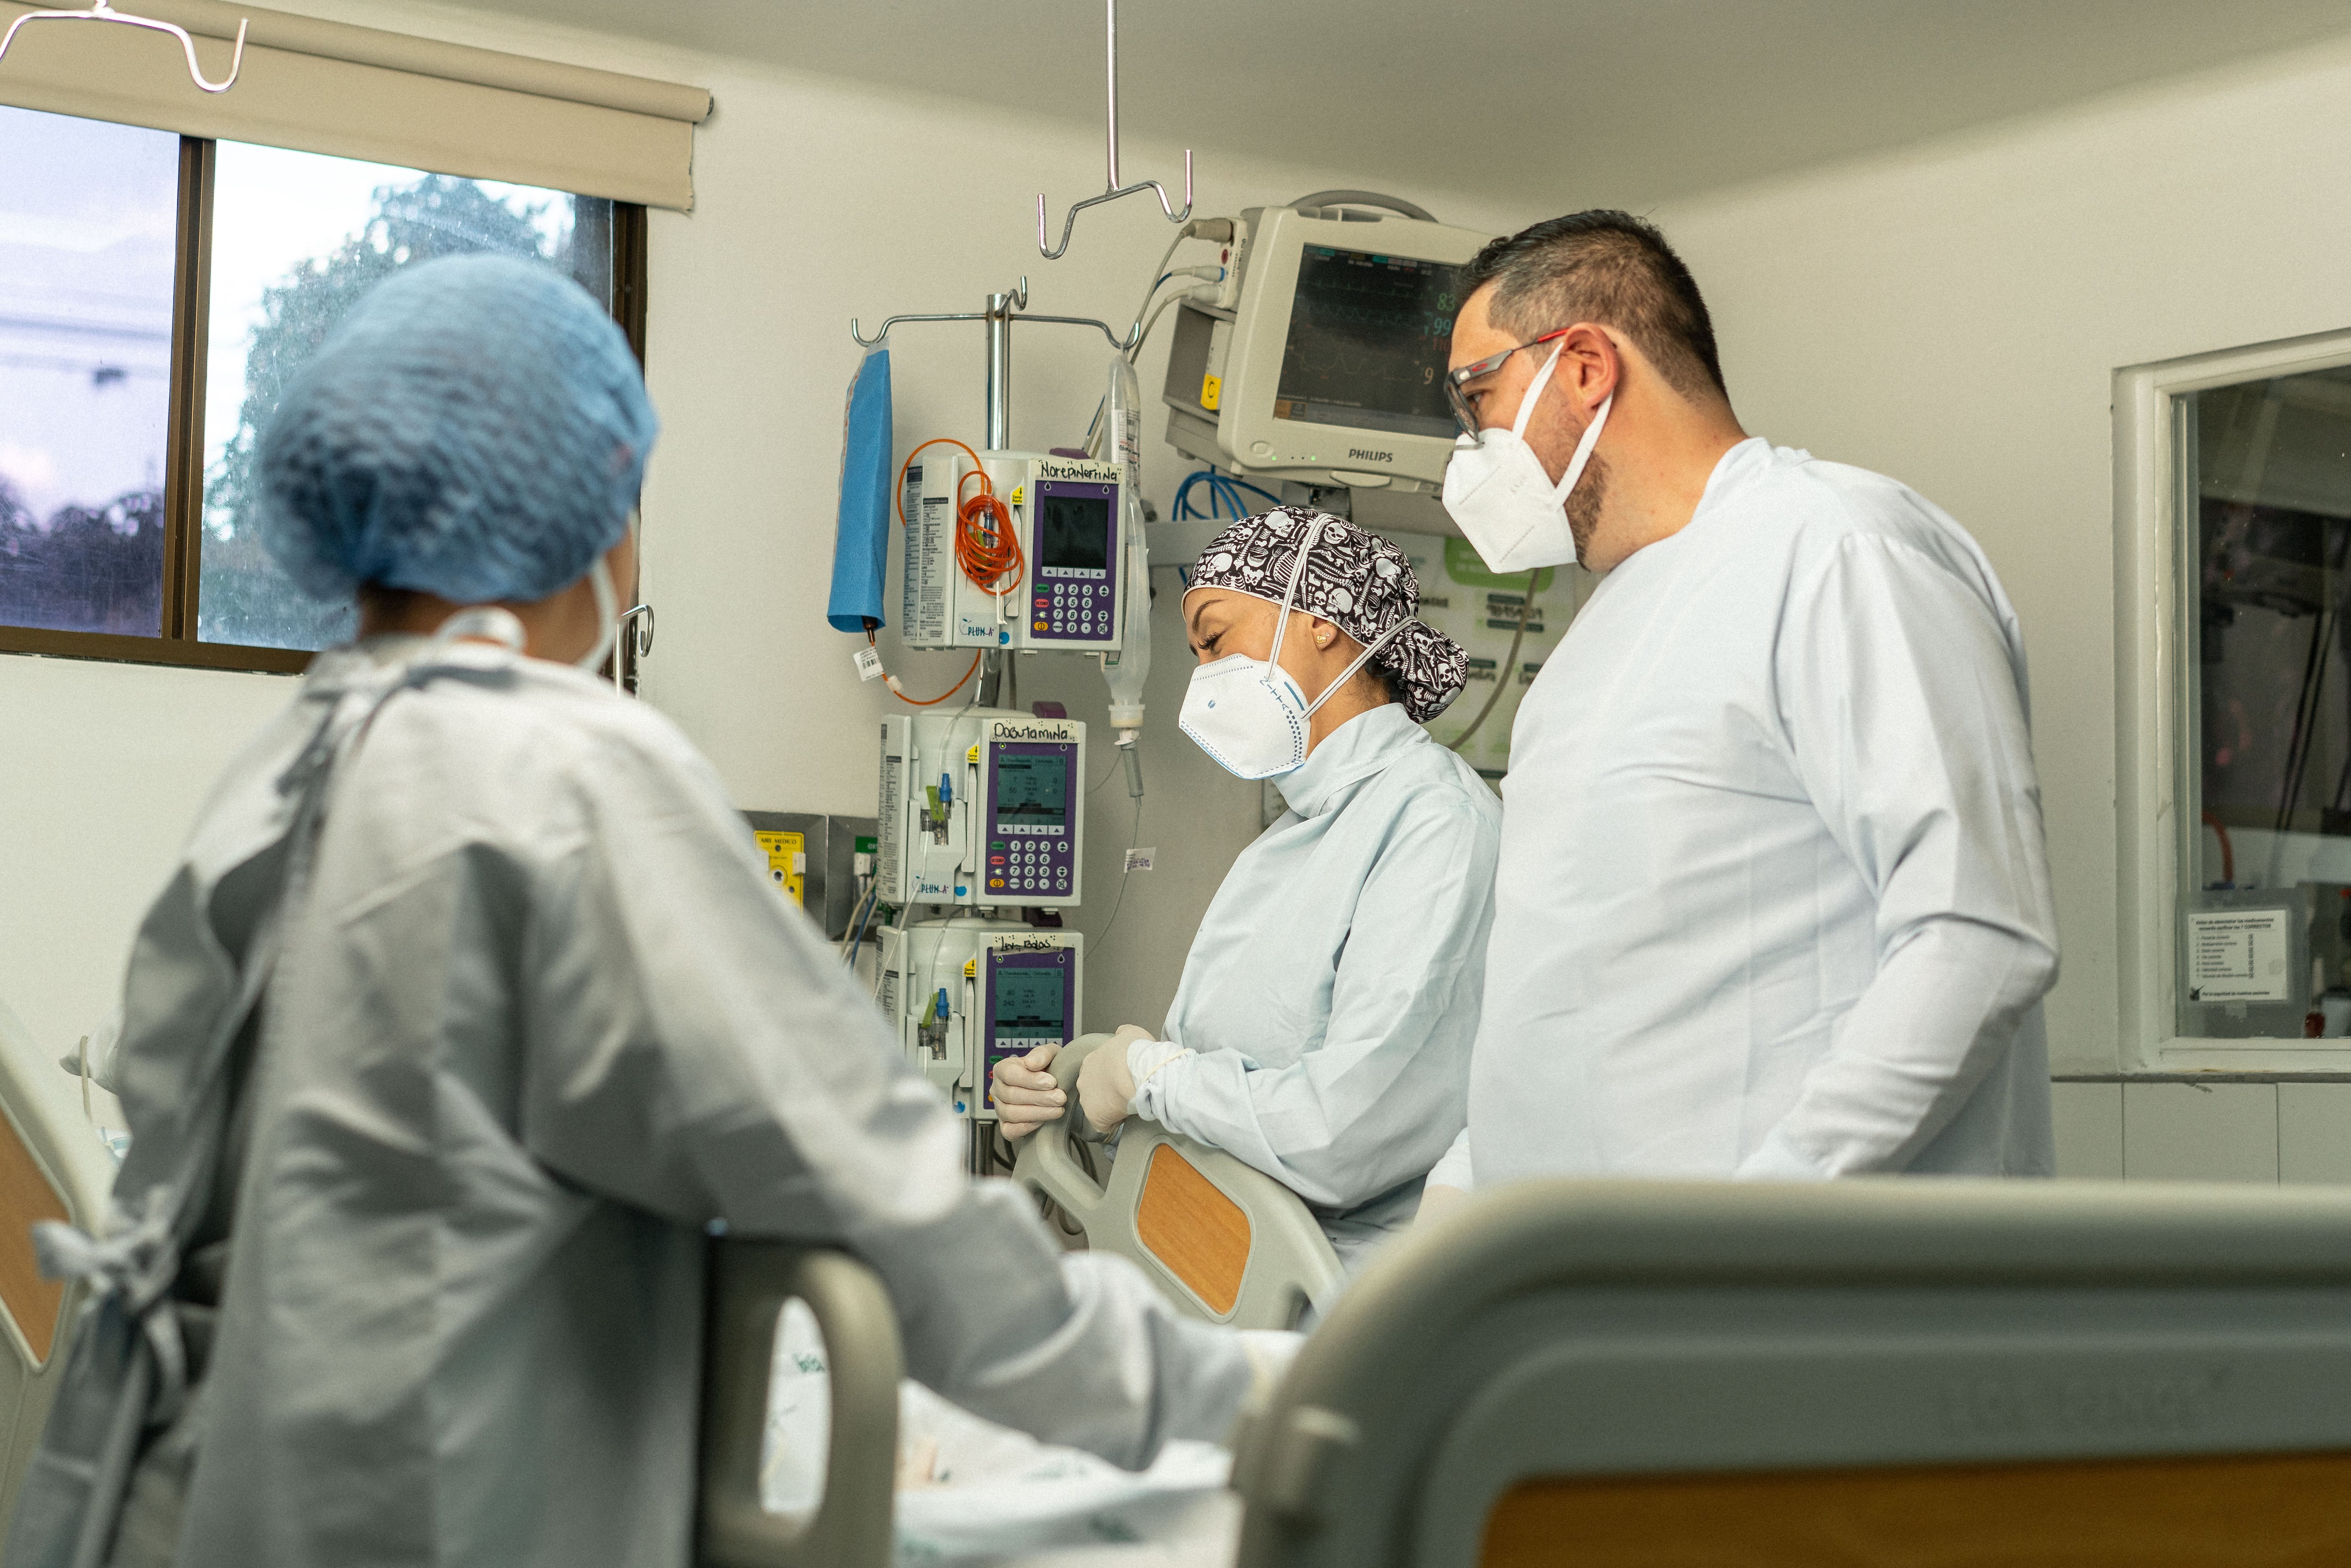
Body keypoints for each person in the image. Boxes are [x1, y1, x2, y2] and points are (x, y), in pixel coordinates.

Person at [8, 256, 1268, 1568]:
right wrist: (1256, 1401)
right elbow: (900, 1213)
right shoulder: (566, 773)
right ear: (596, 515)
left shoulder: (279, 777)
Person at [1424, 211, 2057, 1210]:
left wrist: (1760, 1222)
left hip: (1782, 1296)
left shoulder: (1839, 548)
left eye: (1480, 398)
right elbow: (1562, 991)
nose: (1470, 450)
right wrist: (1459, 1210)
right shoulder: (1601, 633)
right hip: (1581, 1293)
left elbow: (1976, 933)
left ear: (1584, 364)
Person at [992, 509, 1499, 1271]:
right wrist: (1067, 1100)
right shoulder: (1298, 835)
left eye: (1215, 639)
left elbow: (1340, 1132)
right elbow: (1221, 1083)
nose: (1204, 677)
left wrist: (1144, 1076)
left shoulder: (1436, 825)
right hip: (1211, 1267)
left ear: (1321, 618)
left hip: (1328, 1309)